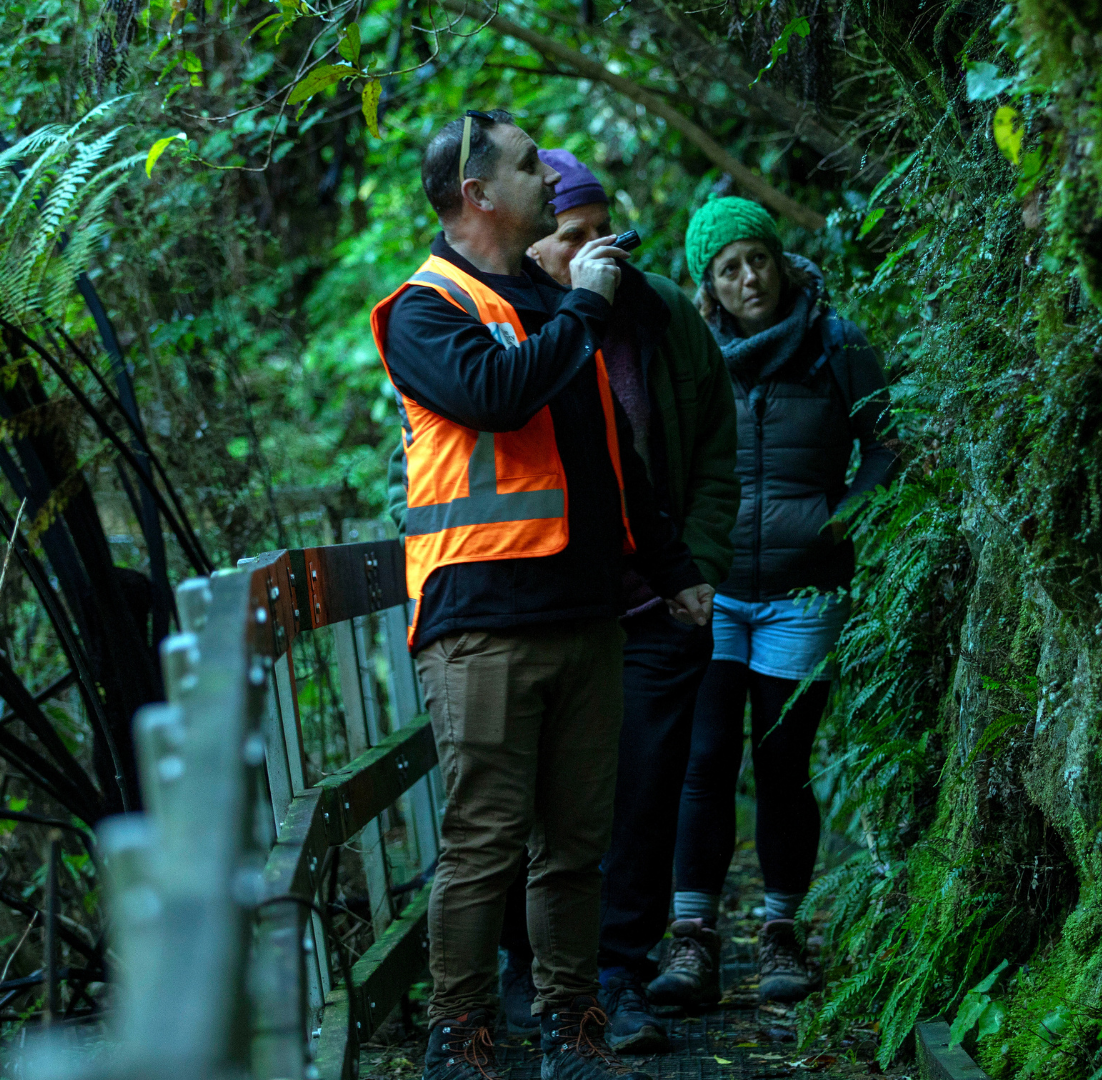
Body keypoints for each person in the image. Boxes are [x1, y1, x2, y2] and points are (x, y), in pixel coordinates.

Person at [370, 109, 714, 1080]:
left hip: (586, 617)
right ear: (476, 194)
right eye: (528, 167)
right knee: (482, 844)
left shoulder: (555, 306)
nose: (548, 183)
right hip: (480, 626)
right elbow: (496, 396)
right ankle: (462, 1037)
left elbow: (613, 464)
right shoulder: (427, 308)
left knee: (575, 848)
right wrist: (588, 309)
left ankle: (574, 1030)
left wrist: (675, 573)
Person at [652, 197, 894, 1008]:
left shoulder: (835, 340)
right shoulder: (691, 352)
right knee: (706, 759)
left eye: (758, 258)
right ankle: (692, 941)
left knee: (784, 767)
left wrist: (837, 522)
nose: (749, 277)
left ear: (781, 260)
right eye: (729, 268)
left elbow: (887, 447)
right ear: (709, 286)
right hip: (712, 590)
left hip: (803, 591)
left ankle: (781, 936)